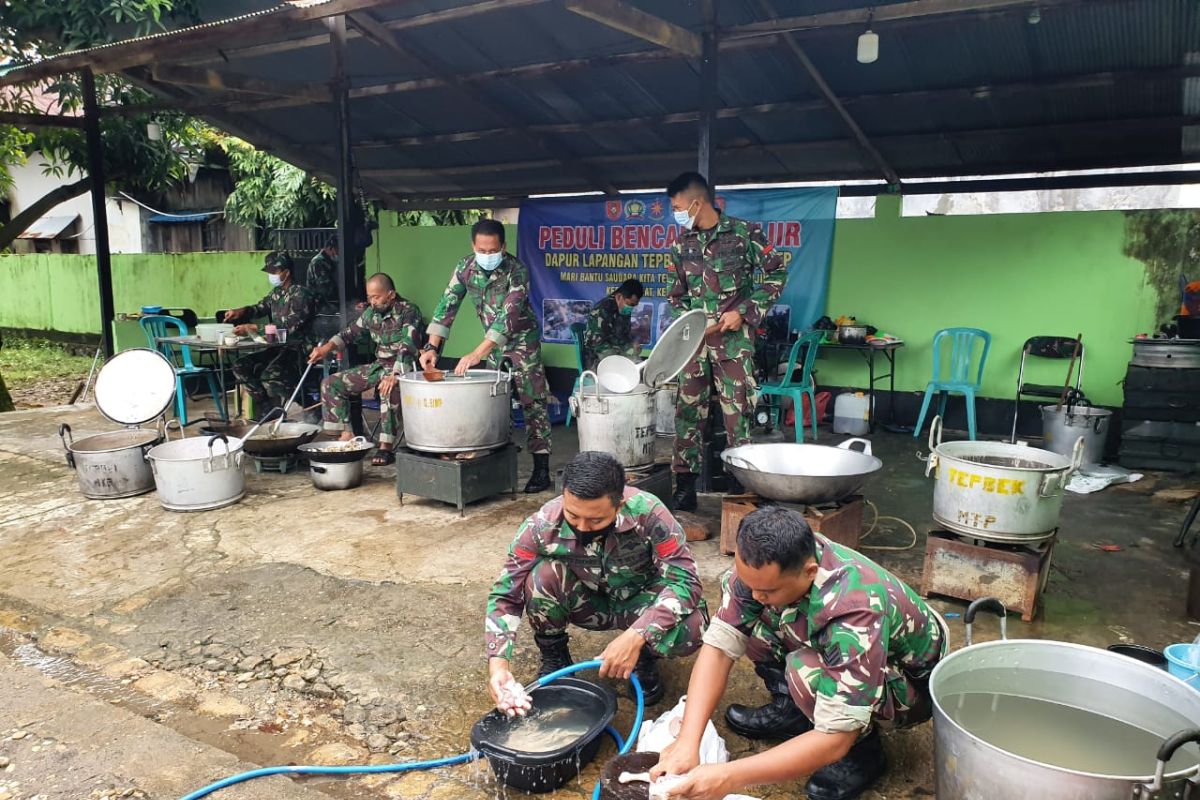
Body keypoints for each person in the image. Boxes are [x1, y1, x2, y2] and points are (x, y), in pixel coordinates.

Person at [651, 507, 947, 800]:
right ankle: (793, 712)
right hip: (847, 642)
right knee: (752, 627)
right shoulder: (769, 565)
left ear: (810, 572)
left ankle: (863, 753)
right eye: (749, 584)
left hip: (909, 687)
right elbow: (718, 648)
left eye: (767, 590)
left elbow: (835, 738)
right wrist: (688, 741)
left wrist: (727, 777)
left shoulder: (854, 610)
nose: (755, 595)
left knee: (805, 671)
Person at [485, 451, 708, 709]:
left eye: (596, 520)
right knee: (542, 576)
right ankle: (555, 657)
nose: (581, 527)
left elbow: (687, 581)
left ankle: (643, 657)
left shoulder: (650, 513)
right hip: (589, 604)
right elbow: (505, 594)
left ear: (619, 505)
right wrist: (498, 665)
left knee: (693, 624)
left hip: (640, 603)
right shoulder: (542, 524)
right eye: (572, 516)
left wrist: (637, 636)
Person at [665, 172, 787, 511]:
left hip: (734, 343)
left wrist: (745, 312)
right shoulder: (680, 245)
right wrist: (688, 319)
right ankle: (684, 488)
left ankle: (740, 491)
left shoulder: (745, 233)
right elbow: (675, 296)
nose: (676, 213)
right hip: (694, 345)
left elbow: (777, 273)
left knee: (739, 414)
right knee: (687, 413)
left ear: (696, 202)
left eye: (677, 206)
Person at [420, 219, 553, 493]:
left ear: (503, 247)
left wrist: (476, 354)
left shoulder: (517, 271)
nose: (488, 255)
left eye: (493, 250)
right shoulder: (465, 267)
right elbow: (447, 306)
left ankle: (542, 470)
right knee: (495, 403)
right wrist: (432, 347)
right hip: (491, 346)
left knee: (533, 402)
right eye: (483, 249)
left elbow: (509, 316)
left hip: (522, 344)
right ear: (473, 246)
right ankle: (497, 465)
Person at [308, 273, 423, 466]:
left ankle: (386, 446)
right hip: (380, 366)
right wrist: (324, 349)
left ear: (391, 294)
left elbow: (408, 345)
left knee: (388, 387)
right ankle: (346, 434)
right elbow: (348, 334)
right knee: (331, 383)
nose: (371, 301)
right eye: (369, 297)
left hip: (406, 368)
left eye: (376, 297)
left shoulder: (408, 311)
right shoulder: (371, 313)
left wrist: (395, 374)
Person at [224, 252, 316, 416]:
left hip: (298, 349)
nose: (271, 275)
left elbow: (288, 326)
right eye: (270, 272)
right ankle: (268, 409)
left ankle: (312, 406)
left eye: (275, 271)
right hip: (277, 348)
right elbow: (259, 308)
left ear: (286, 273)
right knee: (240, 366)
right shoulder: (276, 293)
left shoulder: (301, 294)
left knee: (271, 377)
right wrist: (241, 311)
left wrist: (254, 329)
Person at [581, 278, 644, 370]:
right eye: (630, 304)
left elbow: (622, 336)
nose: (631, 308)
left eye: (634, 305)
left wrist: (632, 344)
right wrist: (624, 358)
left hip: (615, 354)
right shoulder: (602, 310)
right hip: (596, 360)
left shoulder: (623, 310)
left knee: (639, 364)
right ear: (619, 297)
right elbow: (597, 345)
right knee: (631, 368)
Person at [307, 236, 340, 318]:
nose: (338, 253)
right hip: (320, 305)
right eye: (337, 250)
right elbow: (324, 288)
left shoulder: (328, 261)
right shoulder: (318, 262)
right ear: (330, 248)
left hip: (328, 303)